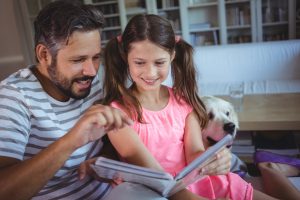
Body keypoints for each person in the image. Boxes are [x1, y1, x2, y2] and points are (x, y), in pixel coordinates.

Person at [0, 1, 181, 200]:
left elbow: (114, 137)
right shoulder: (13, 98)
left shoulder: (93, 81)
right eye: (78, 60)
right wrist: (72, 140)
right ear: (44, 55)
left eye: (96, 57)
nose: (92, 71)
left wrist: (105, 161)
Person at [99, 14, 274, 200]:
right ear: (126, 57)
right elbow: (160, 180)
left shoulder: (183, 101)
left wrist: (216, 159)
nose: (150, 72)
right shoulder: (116, 114)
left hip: (196, 183)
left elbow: (194, 155)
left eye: (159, 62)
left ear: (172, 56)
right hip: (159, 193)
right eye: (140, 62)